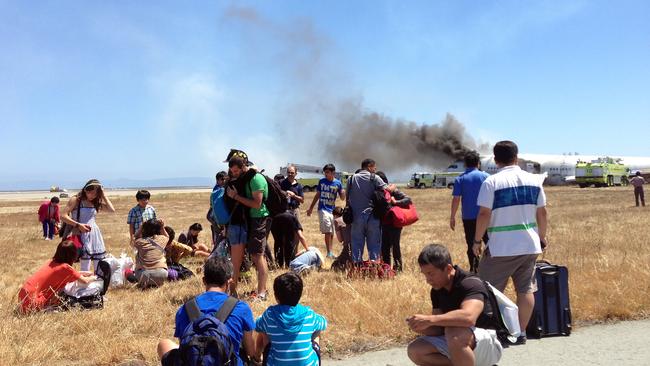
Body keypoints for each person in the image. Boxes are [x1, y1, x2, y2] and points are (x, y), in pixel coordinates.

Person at [473, 140, 548, 344]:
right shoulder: (534, 180)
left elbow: (483, 214)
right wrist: (541, 237)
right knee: (525, 290)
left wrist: (477, 240)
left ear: (495, 160)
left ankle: (493, 333)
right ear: (516, 156)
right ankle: (520, 333)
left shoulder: (491, 182)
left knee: (488, 290)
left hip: (501, 247)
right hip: (529, 245)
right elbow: (542, 213)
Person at [406, 244, 503, 366]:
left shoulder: (471, 283)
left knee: (454, 331)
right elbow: (439, 329)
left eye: (431, 274)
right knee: (416, 350)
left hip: (489, 345)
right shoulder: (437, 290)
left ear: (448, 268)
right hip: (460, 342)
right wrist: (422, 326)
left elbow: (468, 317)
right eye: (425, 274)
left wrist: (431, 319)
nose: (428, 280)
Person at [157, 256, 257, 366]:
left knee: (164, 344)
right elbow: (251, 351)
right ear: (229, 282)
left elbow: (184, 349)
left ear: (204, 281)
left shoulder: (185, 309)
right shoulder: (241, 308)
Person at [254, 272, 327, 366]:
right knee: (317, 329)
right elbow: (323, 323)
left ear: (276, 297)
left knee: (263, 329)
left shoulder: (270, 314)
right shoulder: (308, 314)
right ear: (299, 295)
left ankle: (257, 357)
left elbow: (257, 325)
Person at [226, 154, 271, 301]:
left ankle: (262, 293)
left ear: (243, 167)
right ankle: (241, 292)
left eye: (237, 170)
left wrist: (235, 197)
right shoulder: (244, 177)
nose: (235, 173)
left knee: (258, 256)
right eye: (232, 171)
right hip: (248, 221)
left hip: (258, 219)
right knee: (251, 256)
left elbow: (257, 204)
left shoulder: (256, 179)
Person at [18, 240, 97, 313]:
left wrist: (86, 273)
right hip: (32, 304)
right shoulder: (65, 267)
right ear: (73, 254)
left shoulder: (51, 262)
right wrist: (95, 277)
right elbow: (85, 281)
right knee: (68, 292)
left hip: (23, 298)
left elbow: (71, 273)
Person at [61, 179, 115, 272]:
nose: (93, 196)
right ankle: (84, 285)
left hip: (94, 233)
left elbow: (111, 210)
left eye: (96, 194)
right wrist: (78, 225)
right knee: (85, 263)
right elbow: (63, 216)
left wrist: (103, 195)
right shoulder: (76, 200)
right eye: (92, 193)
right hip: (80, 232)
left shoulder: (95, 202)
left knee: (99, 262)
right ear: (86, 190)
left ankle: (98, 283)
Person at [449, 151, 490, 273]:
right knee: (490, 243)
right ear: (478, 163)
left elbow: (456, 199)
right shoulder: (487, 177)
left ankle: (474, 269)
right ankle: (491, 267)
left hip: (469, 217)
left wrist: (452, 217)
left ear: (465, 164)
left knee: (471, 244)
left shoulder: (460, 179)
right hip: (487, 216)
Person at [347, 159, 394, 264]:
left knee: (356, 244)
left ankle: (356, 268)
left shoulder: (351, 179)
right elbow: (388, 190)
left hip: (356, 218)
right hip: (372, 217)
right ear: (369, 167)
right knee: (374, 244)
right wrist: (393, 186)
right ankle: (374, 268)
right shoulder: (375, 178)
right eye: (374, 167)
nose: (375, 170)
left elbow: (347, 199)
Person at [306, 163, 346, 259]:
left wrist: (343, 192)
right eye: (325, 172)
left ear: (333, 173)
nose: (325, 174)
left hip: (332, 210)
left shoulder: (338, 183)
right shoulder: (322, 182)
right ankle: (328, 252)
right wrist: (311, 208)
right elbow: (317, 195)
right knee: (328, 231)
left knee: (331, 232)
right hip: (322, 209)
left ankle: (330, 252)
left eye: (327, 172)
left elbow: (342, 198)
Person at [376, 171, 411, 272]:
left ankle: (398, 269)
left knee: (395, 247)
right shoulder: (378, 191)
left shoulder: (392, 190)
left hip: (395, 224)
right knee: (385, 248)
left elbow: (408, 199)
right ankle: (386, 269)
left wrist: (395, 202)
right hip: (384, 224)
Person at [132, 219, 169, 289]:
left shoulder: (140, 241)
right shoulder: (162, 239)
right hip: (162, 275)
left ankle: (145, 284)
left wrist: (141, 227)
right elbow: (167, 236)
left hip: (144, 276)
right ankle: (157, 283)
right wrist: (162, 226)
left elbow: (134, 238)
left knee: (137, 257)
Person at [331, 206, 353, 271]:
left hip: (347, 246)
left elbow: (340, 239)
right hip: (357, 243)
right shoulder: (349, 218)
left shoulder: (337, 221)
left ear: (335, 215)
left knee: (335, 266)